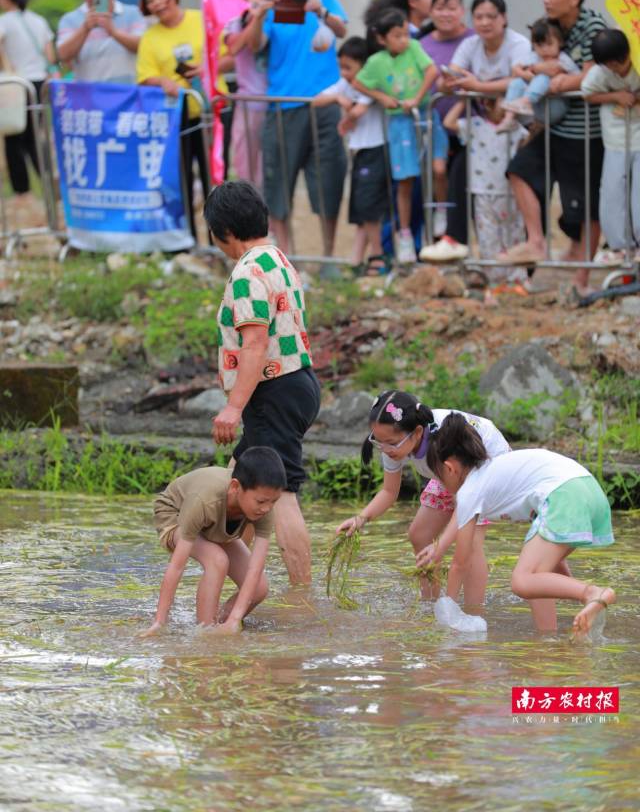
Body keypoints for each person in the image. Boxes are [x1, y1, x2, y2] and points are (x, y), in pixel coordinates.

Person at [204, 181, 321, 585]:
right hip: (295, 384)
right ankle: (242, 585)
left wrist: (233, 407)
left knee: (279, 494)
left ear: (224, 233)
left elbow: (254, 344)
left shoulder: (247, 274)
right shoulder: (278, 260)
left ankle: (303, 601)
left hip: (273, 392)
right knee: (238, 489)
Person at [416, 413, 615, 635]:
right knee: (538, 576)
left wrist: (449, 610)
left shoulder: (470, 490)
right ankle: (549, 640)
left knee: (522, 581)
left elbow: (460, 563)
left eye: (438, 477)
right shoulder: (494, 469)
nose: (441, 483)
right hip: (588, 489)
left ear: (450, 468)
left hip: (564, 496)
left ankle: (592, 593)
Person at [336, 390, 510, 604]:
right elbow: (389, 492)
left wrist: (442, 545)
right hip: (446, 473)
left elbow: (466, 503)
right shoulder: (391, 442)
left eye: (391, 443)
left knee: (469, 544)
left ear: (417, 432)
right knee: (419, 534)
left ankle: (474, 613)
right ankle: (431, 604)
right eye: (379, 442)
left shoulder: (445, 440)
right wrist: (360, 518)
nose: (386, 449)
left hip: (485, 466)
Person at [500, 0, 607, 297]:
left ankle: (581, 280)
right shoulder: (549, 26)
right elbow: (530, 61)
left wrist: (559, 81)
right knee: (518, 171)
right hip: (551, 126)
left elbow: (592, 75)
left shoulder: (593, 27)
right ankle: (535, 241)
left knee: (587, 208)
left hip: (585, 134)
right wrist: (529, 71)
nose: (545, 0)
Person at [246, 0, 348, 261]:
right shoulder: (271, 5)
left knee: (328, 181)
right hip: (283, 106)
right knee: (277, 186)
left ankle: (328, 256)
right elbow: (254, 45)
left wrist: (322, 10)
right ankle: (285, 259)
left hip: (325, 105)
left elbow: (342, 30)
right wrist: (260, 14)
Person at [419, 0, 530, 263]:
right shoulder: (471, 44)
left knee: (519, 193)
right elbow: (452, 77)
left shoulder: (518, 44)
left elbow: (518, 82)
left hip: (523, 130)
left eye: (491, 16)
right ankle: (456, 241)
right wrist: (450, 82)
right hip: (482, 129)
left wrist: (476, 85)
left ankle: (526, 257)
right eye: (478, 16)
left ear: (503, 18)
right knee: (462, 178)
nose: (484, 22)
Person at [141, 447, 286, 637]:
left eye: (273, 502)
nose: (266, 508)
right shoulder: (204, 501)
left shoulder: (264, 508)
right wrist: (160, 621)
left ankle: (221, 622)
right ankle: (205, 631)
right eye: (260, 502)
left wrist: (235, 619)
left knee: (259, 588)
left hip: (213, 523)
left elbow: (255, 567)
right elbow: (177, 566)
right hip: (174, 516)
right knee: (217, 560)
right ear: (235, 487)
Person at [353, 8, 447, 264]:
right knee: (405, 179)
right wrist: (382, 97)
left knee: (438, 168)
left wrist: (416, 98)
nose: (403, 40)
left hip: (425, 113)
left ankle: (441, 210)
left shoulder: (414, 48)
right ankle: (404, 235)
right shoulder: (377, 61)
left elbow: (431, 71)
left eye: (405, 34)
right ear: (382, 39)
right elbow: (358, 82)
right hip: (399, 122)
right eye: (397, 35)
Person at [136, 0, 208, 240]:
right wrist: (163, 81)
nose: (157, 3)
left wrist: (206, 69)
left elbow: (224, 54)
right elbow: (144, 76)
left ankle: (220, 241)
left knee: (215, 178)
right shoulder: (150, 37)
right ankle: (188, 240)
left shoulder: (199, 19)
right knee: (182, 179)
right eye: (150, 0)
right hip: (176, 118)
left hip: (210, 113)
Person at [313, 36, 389, 275]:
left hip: (375, 148)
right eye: (341, 67)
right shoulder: (345, 85)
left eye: (349, 67)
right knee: (359, 207)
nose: (344, 73)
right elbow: (317, 100)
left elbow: (358, 110)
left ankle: (377, 255)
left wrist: (346, 114)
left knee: (368, 205)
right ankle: (357, 259)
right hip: (359, 151)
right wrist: (337, 97)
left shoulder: (367, 85)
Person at [444, 97, 528, 292]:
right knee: (488, 236)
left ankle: (517, 277)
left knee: (514, 234)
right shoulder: (476, 125)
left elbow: (527, 141)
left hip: (510, 192)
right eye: (502, 100)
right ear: (488, 104)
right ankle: (494, 277)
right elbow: (448, 123)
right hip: (482, 190)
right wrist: (464, 100)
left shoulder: (516, 128)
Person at [421, 0, 475, 240]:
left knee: (466, 190)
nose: (446, 14)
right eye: (440, 8)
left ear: (462, 11)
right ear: (430, 11)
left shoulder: (474, 41)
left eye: (452, 8)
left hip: (469, 129)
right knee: (436, 181)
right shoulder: (420, 45)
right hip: (433, 128)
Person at [581, 29, 640, 262]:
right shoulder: (600, 72)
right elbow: (588, 93)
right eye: (610, 65)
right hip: (615, 140)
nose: (616, 68)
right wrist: (615, 96)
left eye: (619, 62)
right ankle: (619, 246)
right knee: (612, 192)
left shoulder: (637, 62)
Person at [0, 0, 57, 197]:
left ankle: (22, 191)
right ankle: (46, 182)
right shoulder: (39, 21)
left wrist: (8, 66)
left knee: (14, 137)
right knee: (34, 135)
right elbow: (50, 55)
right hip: (39, 83)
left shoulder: (5, 21)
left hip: (16, 85)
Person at [57, 0, 146, 83]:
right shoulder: (69, 20)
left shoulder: (133, 13)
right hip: (88, 99)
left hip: (126, 97)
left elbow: (143, 46)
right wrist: (85, 28)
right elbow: (62, 55)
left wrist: (113, 31)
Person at [223, 0, 273, 188]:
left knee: (271, 168)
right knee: (246, 166)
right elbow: (235, 48)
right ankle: (248, 215)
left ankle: (271, 219)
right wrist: (254, 19)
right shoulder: (234, 23)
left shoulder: (276, 23)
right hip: (248, 104)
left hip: (275, 104)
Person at [497, 18, 581, 133]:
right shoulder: (533, 57)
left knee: (542, 78)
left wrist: (558, 75)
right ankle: (509, 117)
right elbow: (516, 70)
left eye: (549, 44)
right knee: (516, 83)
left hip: (556, 106)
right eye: (540, 45)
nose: (545, 50)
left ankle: (525, 101)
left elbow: (577, 76)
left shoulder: (563, 59)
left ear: (560, 42)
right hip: (537, 107)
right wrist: (526, 73)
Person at [202, 0, 235, 177]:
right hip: (206, 95)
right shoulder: (198, 14)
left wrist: (209, 67)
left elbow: (236, 54)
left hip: (234, 91)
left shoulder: (238, 11)